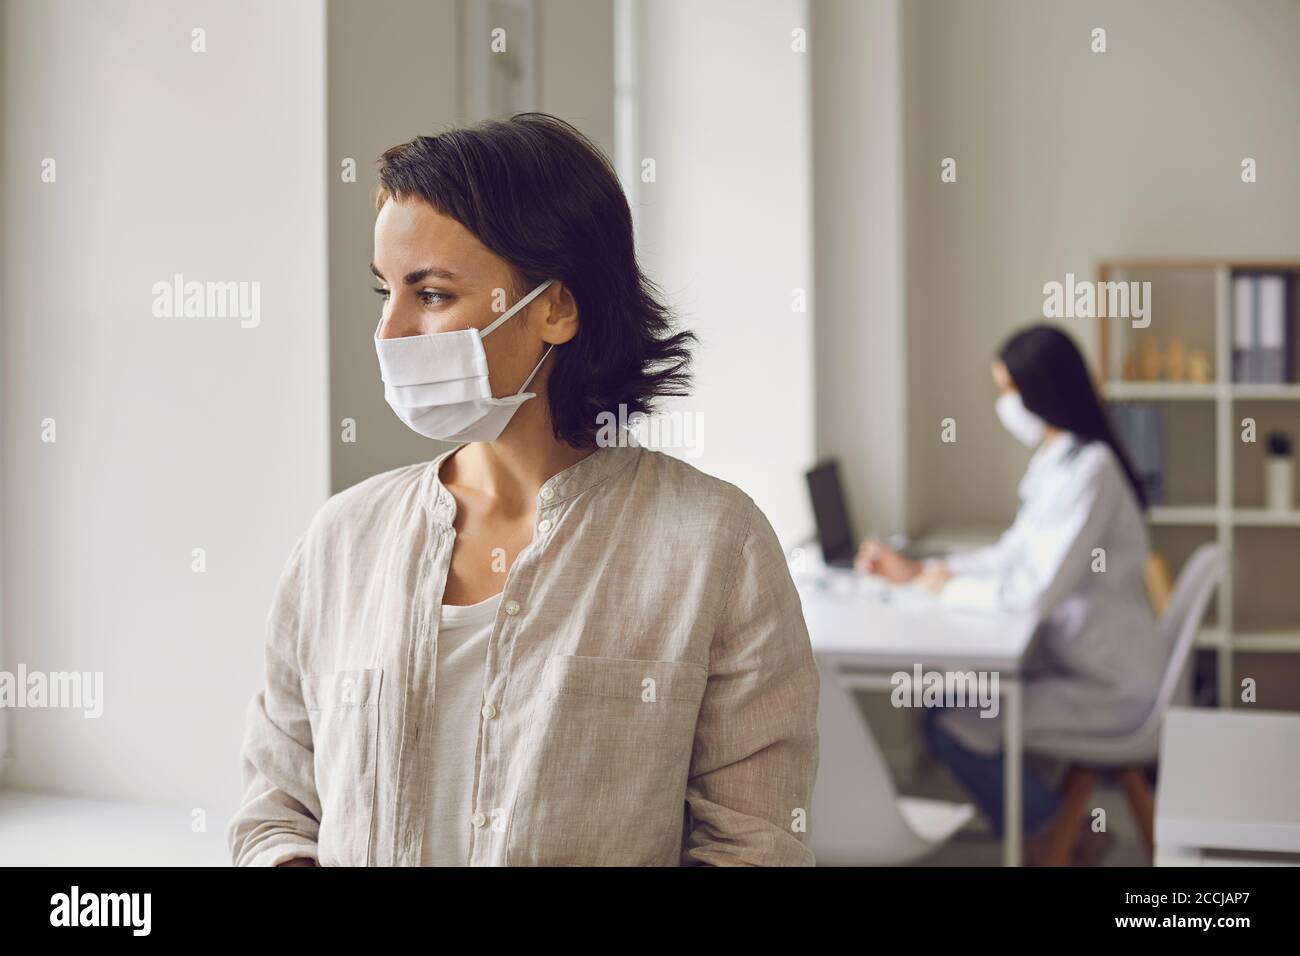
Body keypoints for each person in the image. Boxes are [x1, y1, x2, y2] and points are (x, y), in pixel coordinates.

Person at [225, 113, 818, 867]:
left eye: (432, 295)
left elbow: (755, 842)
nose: (389, 332)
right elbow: (276, 807)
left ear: (556, 307)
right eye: (385, 292)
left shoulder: (714, 545)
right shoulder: (342, 538)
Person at [857, 324, 1166, 865]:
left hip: (1111, 687)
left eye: (1007, 390)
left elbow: (1033, 595)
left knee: (947, 718)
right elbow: (1012, 554)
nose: (1004, 404)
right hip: (1077, 662)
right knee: (943, 704)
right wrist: (924, 571)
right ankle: (1050, 825)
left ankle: (1051, 831)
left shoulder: (1091, 471)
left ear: (1041, 390)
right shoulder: (1059, 460)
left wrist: (946, 585)